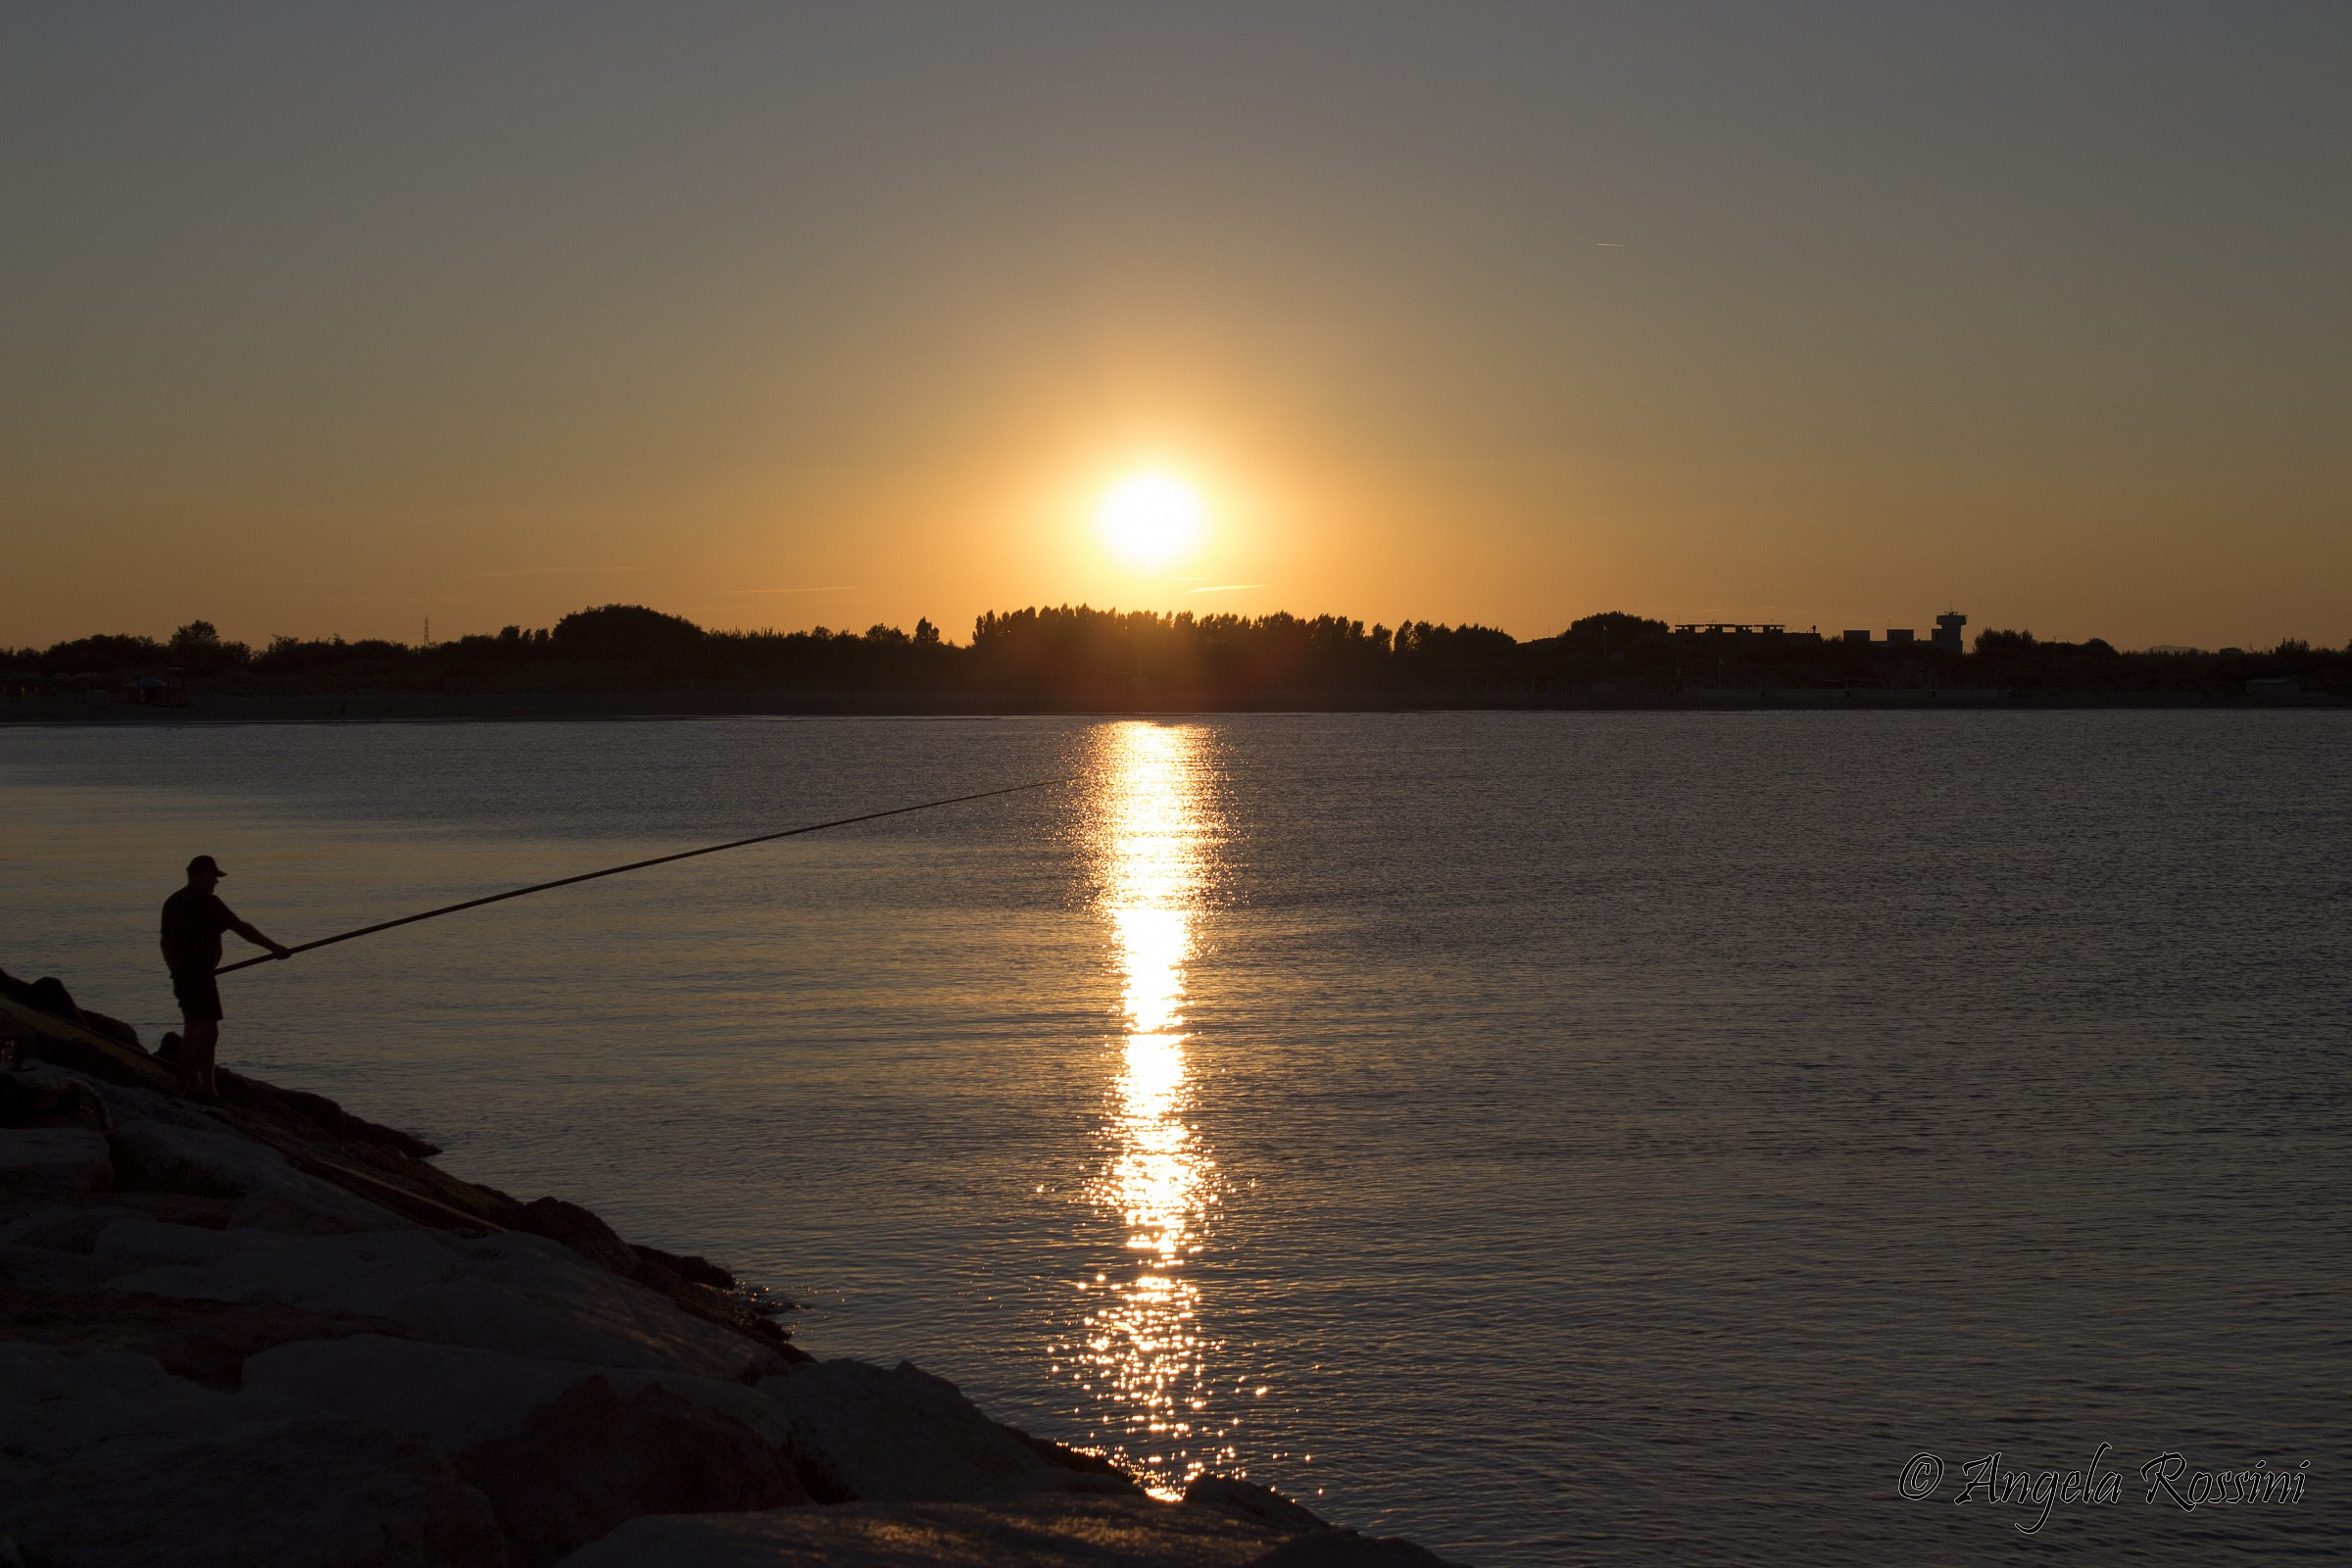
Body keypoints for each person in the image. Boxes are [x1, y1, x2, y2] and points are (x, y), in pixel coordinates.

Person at [160, 855, 288, 1100]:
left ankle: (201, 1085)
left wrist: (174, 970)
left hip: (189, 975)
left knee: (202, 1029)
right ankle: (199, 1087)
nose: (216, 882)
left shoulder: (173, 902)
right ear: (198, 874)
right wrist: (274, 948)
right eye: (213, 876)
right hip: (198, 976)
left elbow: (165, 942)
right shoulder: (208, 902)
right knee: (200, 1030)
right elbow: (243, 929)